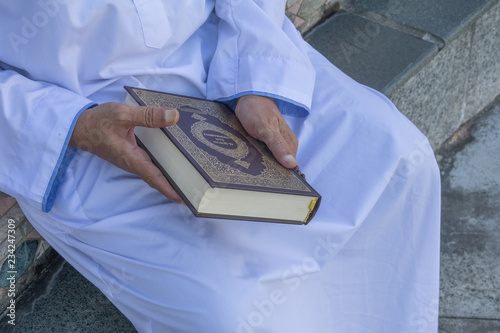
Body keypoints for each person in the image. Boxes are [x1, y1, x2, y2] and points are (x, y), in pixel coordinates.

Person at [0, 1, 441, 332]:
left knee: (399, 160)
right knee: (231, 311)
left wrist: (254, 82)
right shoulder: (78, 123)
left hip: (219, 52)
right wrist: (76, 126)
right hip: (82, 116)